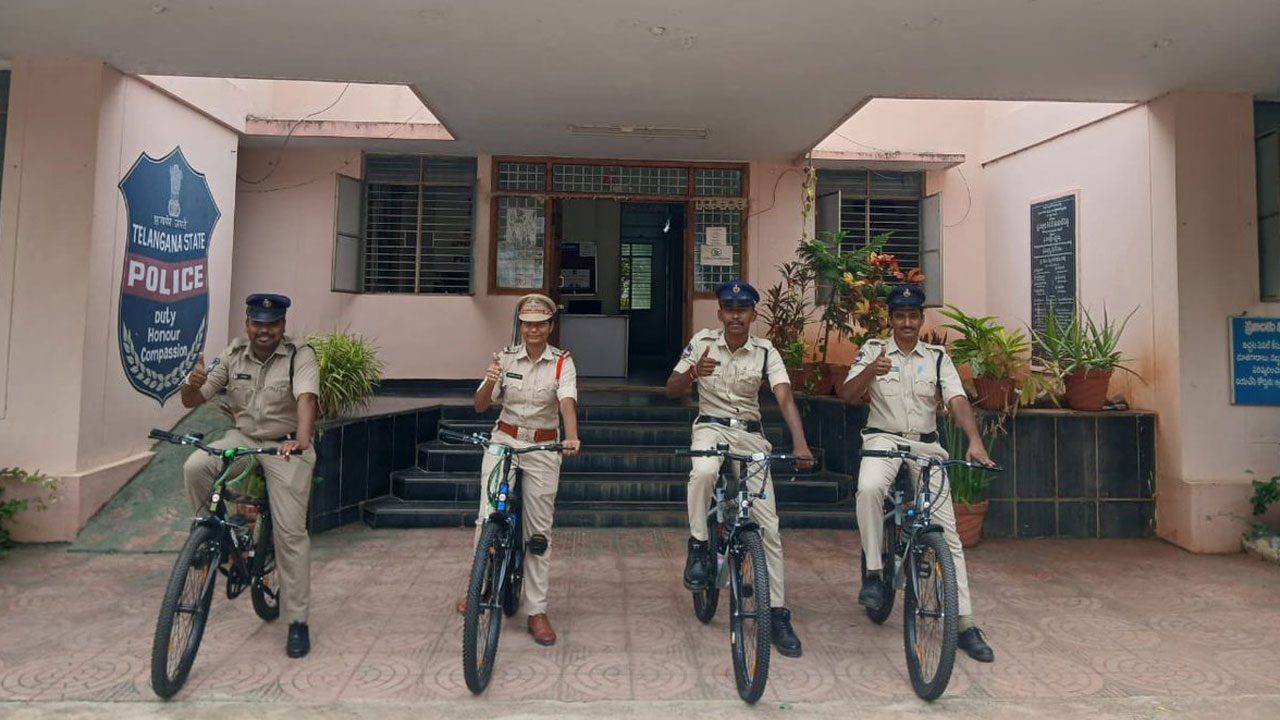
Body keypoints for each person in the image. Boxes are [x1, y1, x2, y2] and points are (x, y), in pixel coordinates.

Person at [839, 283, 996, 662]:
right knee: (869, 488)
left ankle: (964, 623)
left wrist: (974, 441)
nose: (907, 322)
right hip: (882, 440)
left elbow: (957, 400)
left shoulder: (938, 358)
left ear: (921, 319)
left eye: (913, 316)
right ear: (890, 319)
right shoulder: (873, 350)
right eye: (899, 316)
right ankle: (874, 574)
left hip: (926, 446)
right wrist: (869, 373)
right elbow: (847, 394)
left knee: (948, 532)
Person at [665, 278, 816, 658]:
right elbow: (671, 388)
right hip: (710, 427)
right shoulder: (701, 343)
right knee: (701, 472)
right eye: (729, 310)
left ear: (752, 315)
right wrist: (693, 373)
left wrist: (800, 443)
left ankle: (777, 613)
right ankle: (699, 545)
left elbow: (784, 396)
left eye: (743, 310)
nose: (736, 316)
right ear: (720, 314)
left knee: (768, 526)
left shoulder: (766, 352)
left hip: (750, 437)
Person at [181, 293, 319, 658]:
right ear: (247, 324)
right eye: (257, 323)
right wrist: (192, 383)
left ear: (283, 326)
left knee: (291, 534)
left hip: (286, 445)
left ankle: (298, 622)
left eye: (272, 324)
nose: (264, 330)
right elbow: (195, 399)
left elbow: (307, 398)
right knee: (197, 466)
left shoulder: (300, 355)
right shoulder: (233, 353)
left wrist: (302, 441)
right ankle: (215, 536)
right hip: (242, 439)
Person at [457, 293, 581, 647]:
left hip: (543, 444)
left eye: (540, 323)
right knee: (486, 517)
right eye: (528, 324)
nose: (534, 330)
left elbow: (567, 402)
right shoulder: (505, 358)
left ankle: (536, 610)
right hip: (504, 440)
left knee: (538, 534)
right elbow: (481, 406)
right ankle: (479, 586)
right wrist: (487, 380)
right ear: (521, 326)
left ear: (550, 327)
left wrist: (571, 436)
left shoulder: (562, 363)